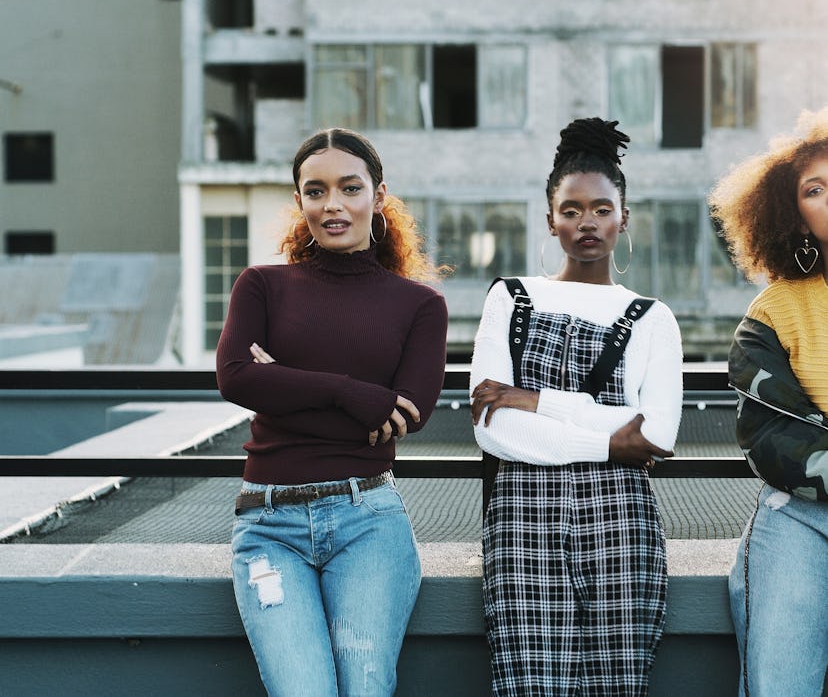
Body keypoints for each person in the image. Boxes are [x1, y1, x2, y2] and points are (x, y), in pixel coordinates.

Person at [216, 127, 448, 696]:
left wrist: (282, 384)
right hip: (269, 530)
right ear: (299, 201)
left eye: (350, 188)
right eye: (315, 191)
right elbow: (235, 379)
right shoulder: (261, 287)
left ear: (378, 193)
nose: (333, 205)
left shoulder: (420, 305)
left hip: (367, 523)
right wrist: (353, 394)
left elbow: (409, 412)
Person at [470, 117, 683, 695]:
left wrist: (535, 399)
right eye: (571, 210)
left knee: (619, 681)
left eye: (601, 209)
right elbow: (495, 430)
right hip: (521, 520)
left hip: (621, 521)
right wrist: (609, 435)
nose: (586, 222)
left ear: (623, 218)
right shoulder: (510, 298)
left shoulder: (652, 316)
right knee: (527, 683)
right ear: (550, 219)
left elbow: (657, 436)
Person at [709, 109, 828, 697]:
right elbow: (772, 433)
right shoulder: (773, 312)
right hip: (801, 519)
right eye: (815, 189)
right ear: (795, 217)